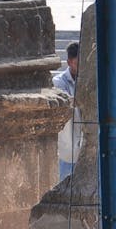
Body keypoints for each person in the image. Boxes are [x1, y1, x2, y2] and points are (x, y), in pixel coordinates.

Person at [53, 42, 82, 179]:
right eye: (77, 63)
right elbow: (68, 101)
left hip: (83, 145)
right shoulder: (59, 82)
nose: (81, 67)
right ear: (69, 62)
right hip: (67, 148)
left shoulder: (86, 79)